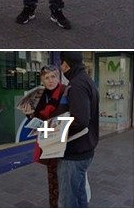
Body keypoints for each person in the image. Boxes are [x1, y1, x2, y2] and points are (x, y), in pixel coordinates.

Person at [21, 65, 68, 208]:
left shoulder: (65, 91)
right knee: (53, 178)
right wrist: (29, 114)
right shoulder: (41, 95)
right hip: (48, 140)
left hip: (65, 140)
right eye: (47, 78)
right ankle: (53, 205)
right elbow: (37, 118)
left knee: (66, 178)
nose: (50, 80)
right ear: (42, 80)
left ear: (58, 77)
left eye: (53, 76)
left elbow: (67, 113)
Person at [58, 52, 99, 208]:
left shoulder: (76, 85)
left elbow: (80, 120)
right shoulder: (87, 81)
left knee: (67, 202)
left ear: (66, 64)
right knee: (80, 196)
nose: (61, 68)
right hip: (84, 150)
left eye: (61, 65)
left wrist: (53, 129)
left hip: (74, 154)